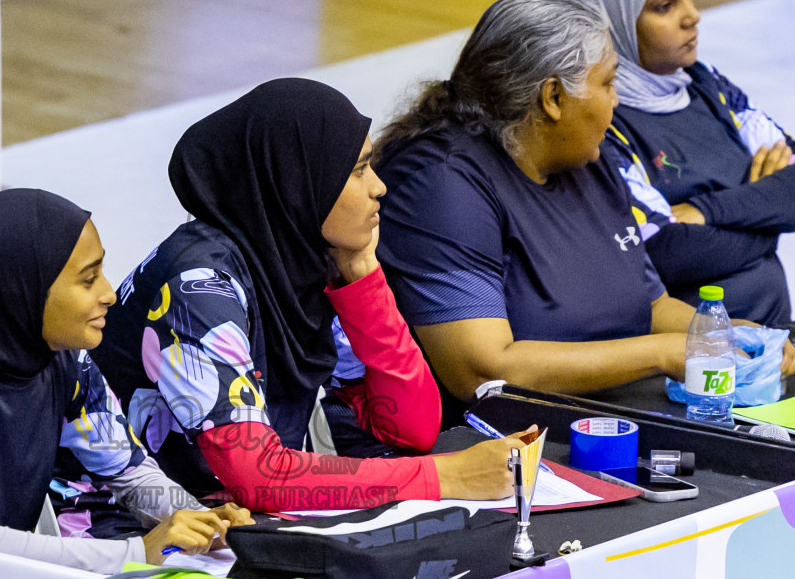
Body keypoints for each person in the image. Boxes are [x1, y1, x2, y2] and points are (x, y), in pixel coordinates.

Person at [94, 77, 527, 514]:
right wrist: (447, 477)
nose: (380, 187)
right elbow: (260, 478)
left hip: (223, 522)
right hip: (123, 528)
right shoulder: (199, 284)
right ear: (297, 182)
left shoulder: (303, 264)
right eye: (358, 171)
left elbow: (411, 427)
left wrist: (364, 279)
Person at [375, 0, 795, 412]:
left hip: (603, 417)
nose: (616, 102)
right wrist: (663, 353)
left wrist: (717, 334)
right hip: (490, 446)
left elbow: (652, 306)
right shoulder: (440, 183)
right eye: (608, 83)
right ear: (554, 98)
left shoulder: (588, 160)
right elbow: (484, 371)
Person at [0, 189, 248, 573]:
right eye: (88, 279)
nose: (109, 294)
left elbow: (128, 472)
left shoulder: (65, 359)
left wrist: (200, 520)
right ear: (22, 288)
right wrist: (135, 553)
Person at [539, 0, 795, 325]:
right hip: (676, 363)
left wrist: (703, 210)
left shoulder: (704, 82)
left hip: (764, 348)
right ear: (607, 23)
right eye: (665, 5)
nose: (692, 15)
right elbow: (664, 253)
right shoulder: (599, 120)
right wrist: (768, 212)